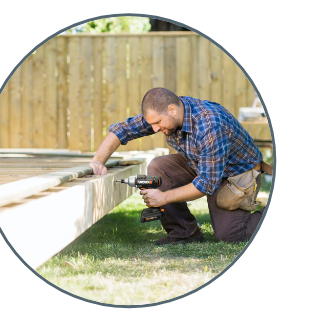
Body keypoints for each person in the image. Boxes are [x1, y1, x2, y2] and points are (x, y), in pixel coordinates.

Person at [90, 87, 268, 245]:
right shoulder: (164, 112)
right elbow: (123, 130)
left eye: (157, 123)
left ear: (172, 110)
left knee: (231, 235)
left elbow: (207, 183)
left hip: (235, 173)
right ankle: (184, 232)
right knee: (158, 167)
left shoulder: (209, 125)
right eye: (152, 124)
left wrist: (164, 198)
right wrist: (98, 160)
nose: (154, 129)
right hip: (201, 163)